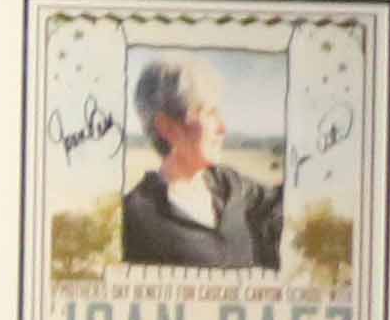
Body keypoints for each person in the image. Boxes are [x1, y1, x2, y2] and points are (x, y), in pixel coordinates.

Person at [117, 52, 289, 269]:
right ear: (168, 127)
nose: (223, 128)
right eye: (209, 113)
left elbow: (284, 201)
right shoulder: (136, 218)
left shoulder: (229, 184)